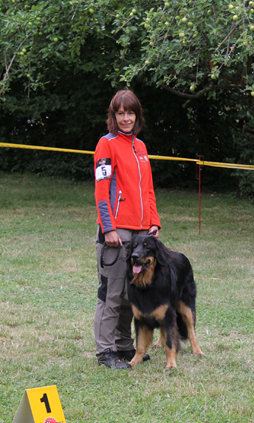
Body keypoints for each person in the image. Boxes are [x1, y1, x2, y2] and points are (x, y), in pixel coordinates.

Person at [93, 90, 161, 369]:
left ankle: (123, 346)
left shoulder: (141, 147)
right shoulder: (105, 144)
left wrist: (154, 222)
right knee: (111, 293)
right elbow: (101, 189)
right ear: (113, 116)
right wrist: (108, 228)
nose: (125, 118)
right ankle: (105, 352)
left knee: (128, 296)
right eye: (120, 113)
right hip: (116, 232)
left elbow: (148, 189)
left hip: (141, 234)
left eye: (130, 112)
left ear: (137, 115)